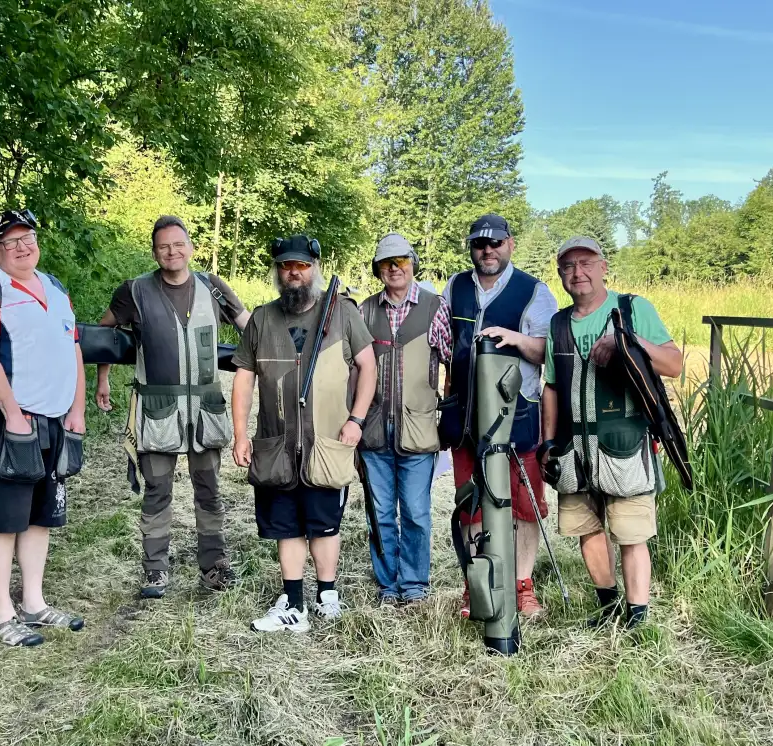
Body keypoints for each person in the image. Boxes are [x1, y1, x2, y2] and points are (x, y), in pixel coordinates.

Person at [96, 215, 251, 599]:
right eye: (164, 246)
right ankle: (155, 571)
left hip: (205, 409)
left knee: (209, 490)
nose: (172, 252)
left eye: (178, 244)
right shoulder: (135, 291)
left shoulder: (213, 287)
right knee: (157, 491)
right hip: (157, 409)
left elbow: (250, 328)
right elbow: (102, 334)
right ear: (154, 252)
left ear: (191, 248)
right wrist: (102, 379)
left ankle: (214, 567)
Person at [231, 235, 378, 632]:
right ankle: (293, 602)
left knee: (325, 522)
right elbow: (243, 379)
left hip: (326, 443)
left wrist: (356, 420)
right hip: (276, 444)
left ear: (315, 268)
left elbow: (368, 366)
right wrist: (241, 435)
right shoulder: (262, 318)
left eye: (301, 265)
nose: (293, 272)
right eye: (286, 266)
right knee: (287, 524)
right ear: (278, 271)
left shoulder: (342, 313)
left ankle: (327, 596)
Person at [537, 236, 683, 630]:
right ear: (560, 274)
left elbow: (674, 364)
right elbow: (551, 386)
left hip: (625, 445)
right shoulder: (558, 324)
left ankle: (637, 617)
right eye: (569, 266)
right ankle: (608, 606)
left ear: (603, 267)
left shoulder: (632, 310)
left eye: (586, 263)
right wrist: (548, 442)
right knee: (587, 529)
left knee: (631, 532)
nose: (578, 272)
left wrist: (626, 340)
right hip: (573, 448)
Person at [0, 209, 88, 647]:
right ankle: (2, 615)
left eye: (27, 237)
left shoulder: (55, 288)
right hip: (7, 424)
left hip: (55, 422)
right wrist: (13, 414)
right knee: (3, 521)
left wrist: (77, 409)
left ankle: (34, 603)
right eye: (9, 242)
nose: (21, 247)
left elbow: (73, 350)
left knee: (39, 517)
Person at [441, 213, 558, 619]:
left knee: (525, 503)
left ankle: (522, 585)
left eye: (495, 243)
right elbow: (444, 344)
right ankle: (477, 585)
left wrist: (514, 339)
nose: (487, 250)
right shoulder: (455, 286)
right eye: (479, 244)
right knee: (470, 503)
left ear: (510, 244)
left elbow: (547, 352)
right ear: (471, 248)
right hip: (466, 415)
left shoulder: (533, 291)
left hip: (518, 414)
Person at [357, 233, 452, 606]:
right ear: (378, 269)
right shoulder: (364, 311)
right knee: (379, 513)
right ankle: (387, 584)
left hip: (419, 429)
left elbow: (452, 363)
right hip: (373, 430)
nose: (394, 268)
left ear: (413, 264)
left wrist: (448, 414)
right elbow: (352, 370)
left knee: (415, 512)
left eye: (401, 261)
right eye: (386, 262)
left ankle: (413, 585)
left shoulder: (435, 308)